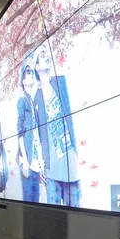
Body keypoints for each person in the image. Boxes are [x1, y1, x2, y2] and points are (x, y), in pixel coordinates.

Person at [34, 43, 80, 206]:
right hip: (51, 169)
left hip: (71, 163)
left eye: (47, 53)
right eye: (42, 55)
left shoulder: (61, 82)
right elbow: (36, 135)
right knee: (54, 221)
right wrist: (39, 164)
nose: (46, 56)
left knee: (76, 216)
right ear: (37, 66)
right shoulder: (36, 98)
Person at [17, 58, 45, 203]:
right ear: (23, 80)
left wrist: (38, 163)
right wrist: (26, 162)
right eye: (28, 72)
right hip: (28, 162)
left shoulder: (32, 101)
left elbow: (36, 136)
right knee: (30, 205)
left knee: (36, 204)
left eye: (32, 72)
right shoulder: (22, 100)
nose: (31, 74)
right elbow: (20, 132)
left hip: (35, 164)